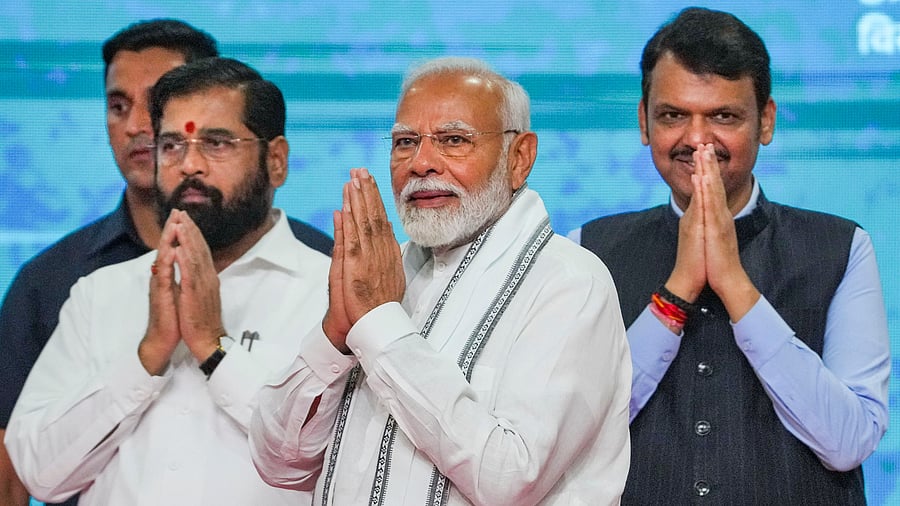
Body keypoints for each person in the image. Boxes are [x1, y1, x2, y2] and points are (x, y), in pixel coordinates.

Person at [249, 57, 632, 505]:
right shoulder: (381, 275)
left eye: (454, 140)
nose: (422, 163)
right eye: (405, 142)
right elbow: (279, 463)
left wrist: (379, 327)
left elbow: (509, 478)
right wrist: (336, 334)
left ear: (519, 157)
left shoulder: (569, 282)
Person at [0, 19, 330, 506]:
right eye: (172, 145)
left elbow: (326, 458)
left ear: (276, 161)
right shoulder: (97, 291)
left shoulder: (330, 290)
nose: (189, 165)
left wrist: (213, 350)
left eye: (215, 143)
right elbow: (39, 475)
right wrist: (146, 358)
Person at [570, 7, 890, 505]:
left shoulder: (841, 247)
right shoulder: (586, 249)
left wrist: (736, 286)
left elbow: (849, 442)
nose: (697, 139)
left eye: (724, 116)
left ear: (765, 121)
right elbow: (569, 436)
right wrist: (675, 294)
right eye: (674, 115)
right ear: (643, 121)